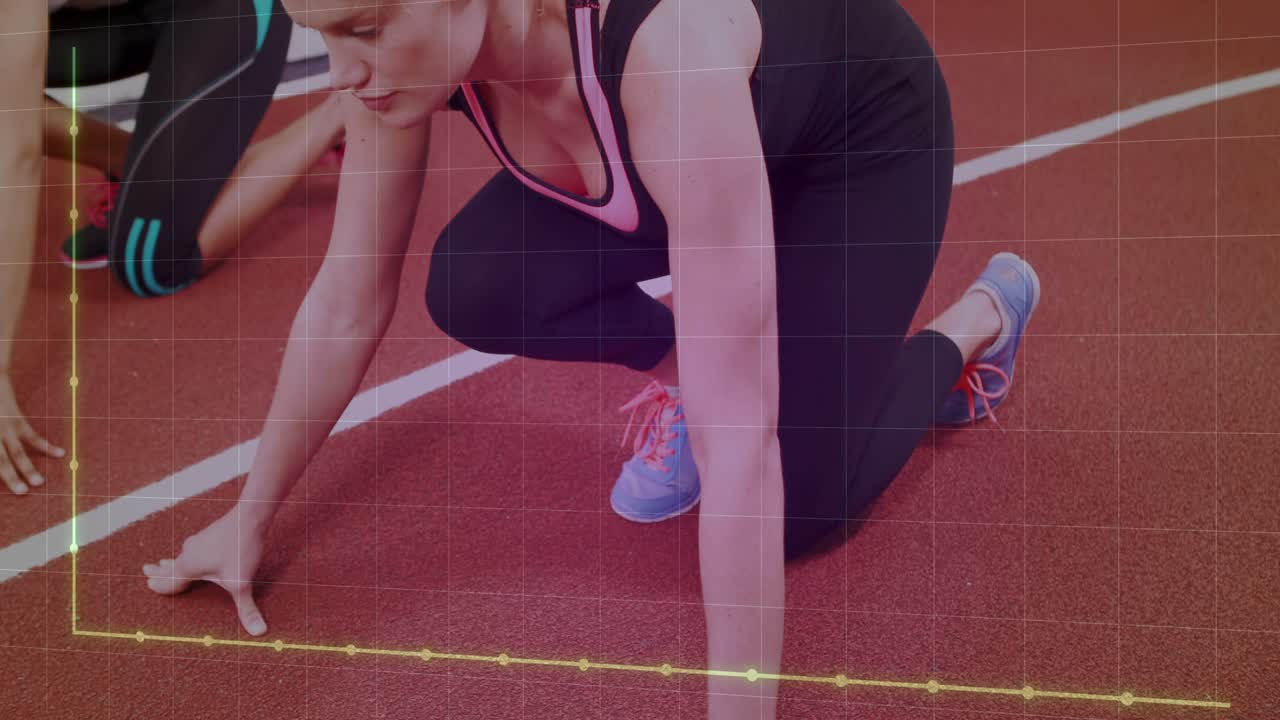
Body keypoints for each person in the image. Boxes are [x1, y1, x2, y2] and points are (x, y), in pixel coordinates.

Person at [141, 1, 1041, 717]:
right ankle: (716, 364)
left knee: (801, 503)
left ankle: (969, 327)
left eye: (363, 30)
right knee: (478, 282)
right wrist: (248, 517)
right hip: (687, 150)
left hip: (854, 142)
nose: (341, 73)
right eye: (321, 35)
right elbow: (346, 300)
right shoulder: (398, 76)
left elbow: (741, 439)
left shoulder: (667, 53)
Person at [0, 0, 346, 493]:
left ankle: (340, 114)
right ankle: (139, 165)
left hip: (230, 9)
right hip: (120, 15)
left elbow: (14, 155)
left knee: (151, 263)